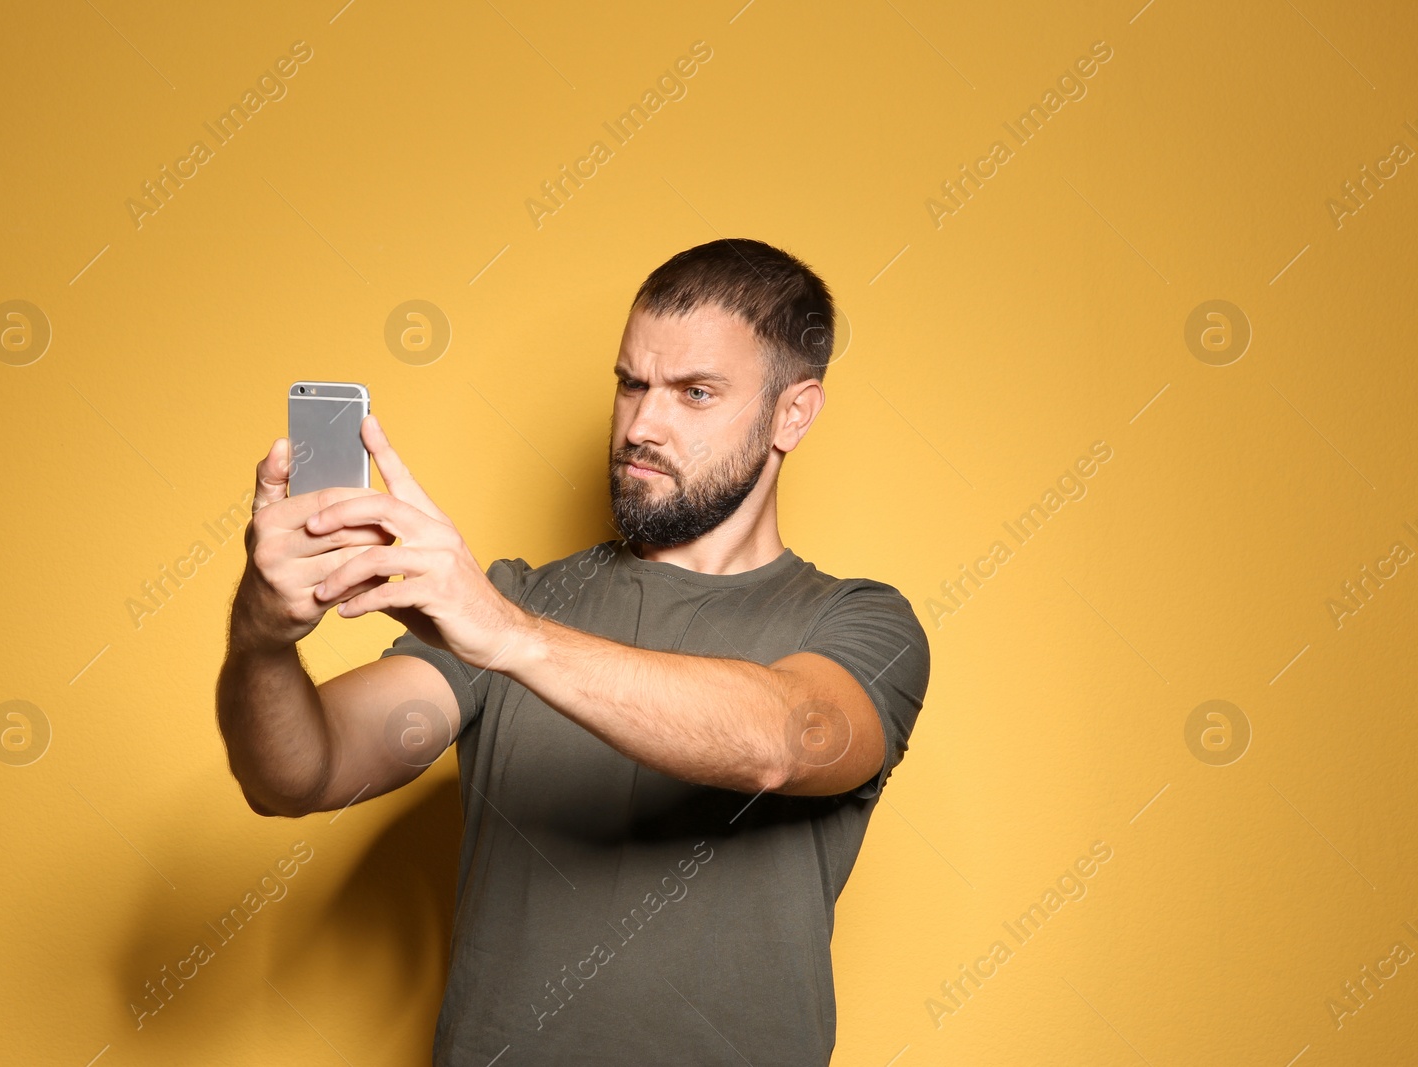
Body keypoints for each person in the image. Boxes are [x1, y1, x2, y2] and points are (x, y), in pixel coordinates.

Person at [216, 237, 931, 1065]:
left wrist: (507, 635)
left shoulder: (859, 622)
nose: (642, 424)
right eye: (632, 383)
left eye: (695, 392)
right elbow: (299, 774)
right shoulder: (517, 597)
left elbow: (786, 738)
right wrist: (264, 635)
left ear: (792, 414)